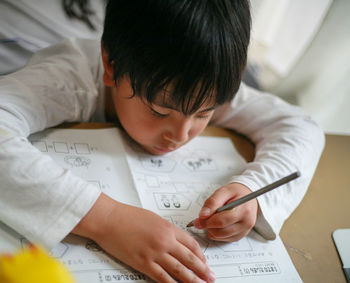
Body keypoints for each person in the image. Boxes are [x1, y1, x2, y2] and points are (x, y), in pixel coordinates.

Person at [0, 0, 324, 282]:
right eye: (158, 111)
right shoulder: (68, 78)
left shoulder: (202, 77)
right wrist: (107, 220)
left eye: (203, 114)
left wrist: (253, 192)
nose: (180, 136)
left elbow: (300, 126)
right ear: (111, 65)